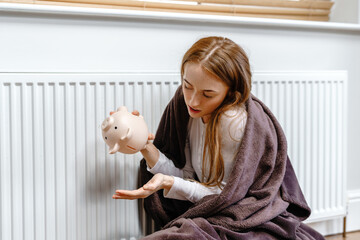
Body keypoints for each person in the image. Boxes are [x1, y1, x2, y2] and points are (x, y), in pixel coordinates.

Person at [112, 36, 325, 240]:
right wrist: (144, 146)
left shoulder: (232, 120)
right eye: (187, 85)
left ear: (231, 94)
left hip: (245, 216)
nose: (193, 100)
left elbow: (225, 195)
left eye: (207, 94)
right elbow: (188, 176)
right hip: (210, 212)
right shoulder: (184, 107)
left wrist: (169, 182)